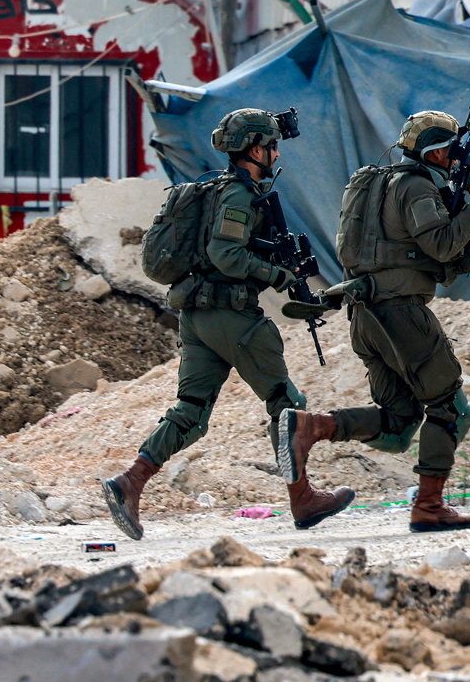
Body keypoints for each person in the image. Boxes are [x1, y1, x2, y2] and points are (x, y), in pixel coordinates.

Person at [102, 109, 354, 539]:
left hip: (197, 317)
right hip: (230, 316)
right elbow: (226, 256)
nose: (276, 154)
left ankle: (129, 483)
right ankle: (303, 498)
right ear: (255, 150)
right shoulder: (238, 196)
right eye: (272, 146)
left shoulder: (213, 190)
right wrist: (279, 275)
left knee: (191, 412)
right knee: (287, 405)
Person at [277, 110, 470, 533]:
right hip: (401, 313)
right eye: (449, 152)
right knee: (450, 408)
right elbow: (444, 244)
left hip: (364, 314)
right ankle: (429, 506)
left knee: (397, 422)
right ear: (434, 151)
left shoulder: (377, 182)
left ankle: (312, 427)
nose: (453, 160)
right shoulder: (415, 188)